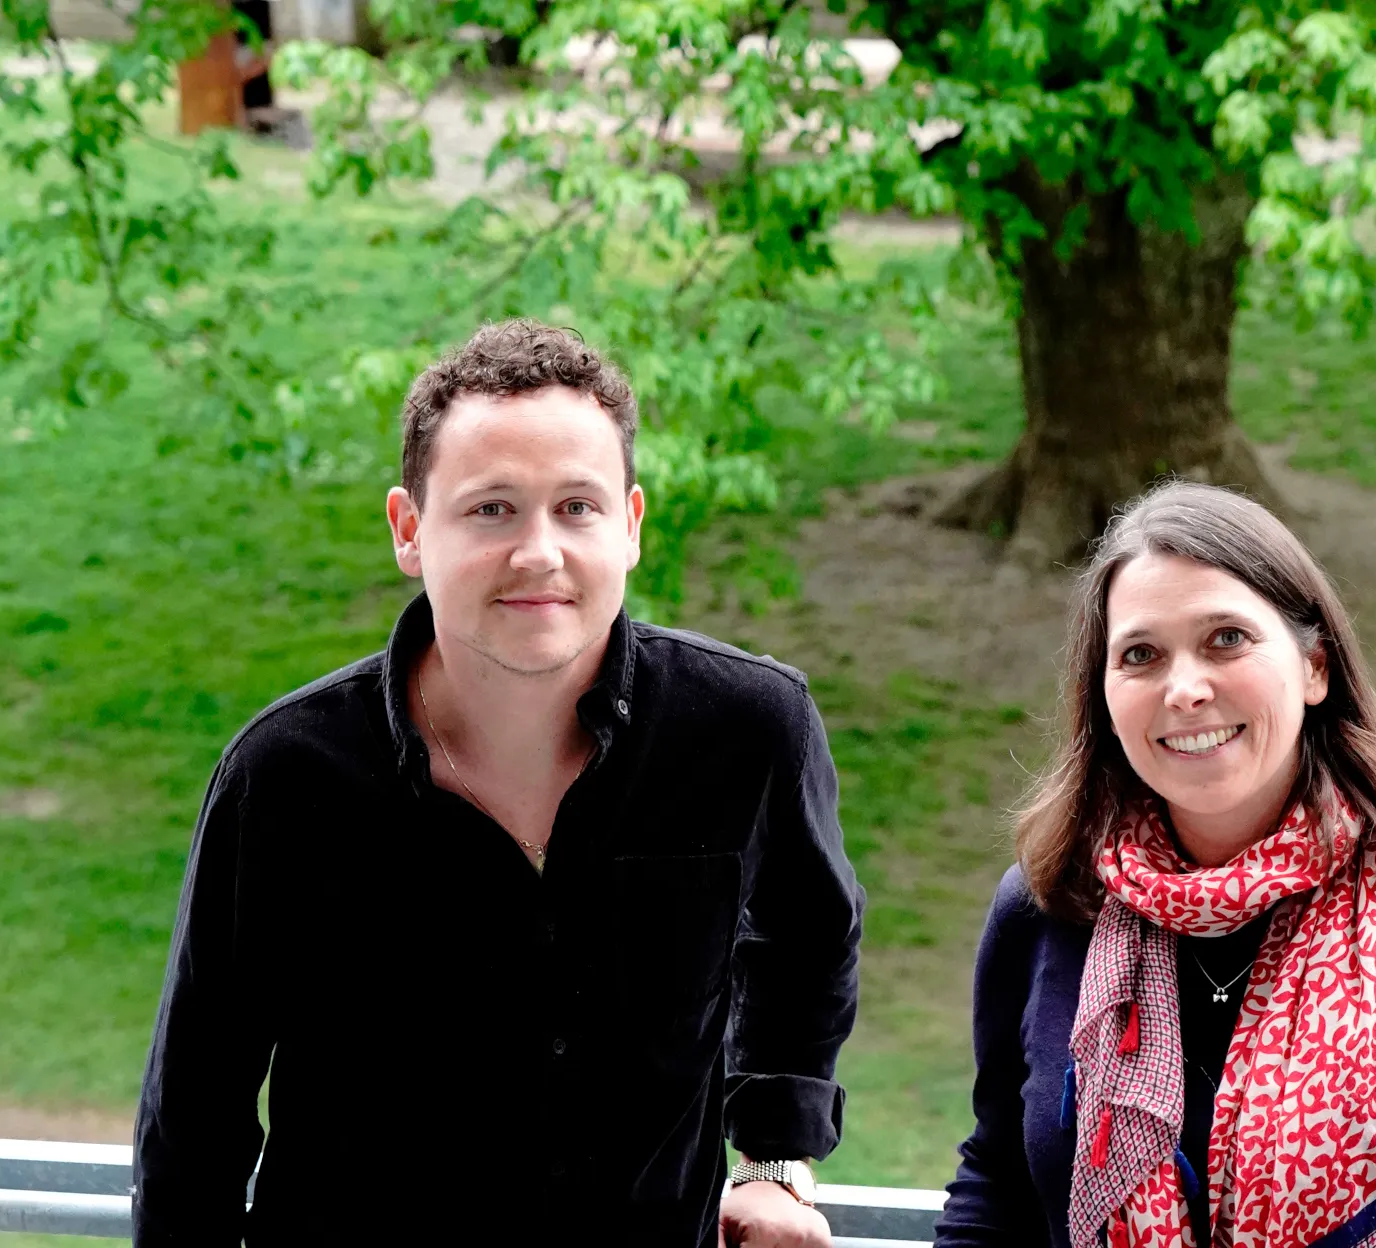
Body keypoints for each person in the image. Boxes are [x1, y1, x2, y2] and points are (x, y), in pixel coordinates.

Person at [132, 320, 864, 1248]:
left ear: (631, 526)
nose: (538, 553)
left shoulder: (751, 730)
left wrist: (774, 1161)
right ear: (409, 529)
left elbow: (809, 938)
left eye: (577, 507)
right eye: (491, 510)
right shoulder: (284, 775)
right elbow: (195, 1112)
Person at [934, 482, 1376, 1248]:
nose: (1185, 689)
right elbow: (999, 1185)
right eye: (1140, 655)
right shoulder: (1050, 909)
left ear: (1315, 668)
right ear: (1103, 694)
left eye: (1226, 639)